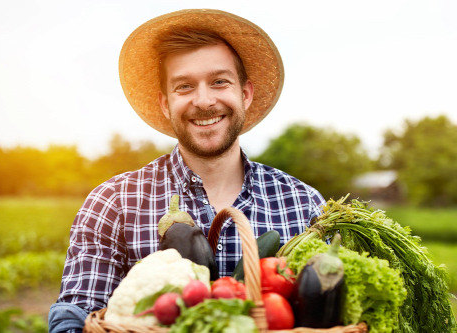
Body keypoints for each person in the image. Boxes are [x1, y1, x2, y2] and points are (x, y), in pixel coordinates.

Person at [48, 9, 325, 333]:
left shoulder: (305, 205)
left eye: (219, 81)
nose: (204, 101)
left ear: (245, 93)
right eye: (185, 87)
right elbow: (74, 321)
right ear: (165, 103)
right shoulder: (112, 204)